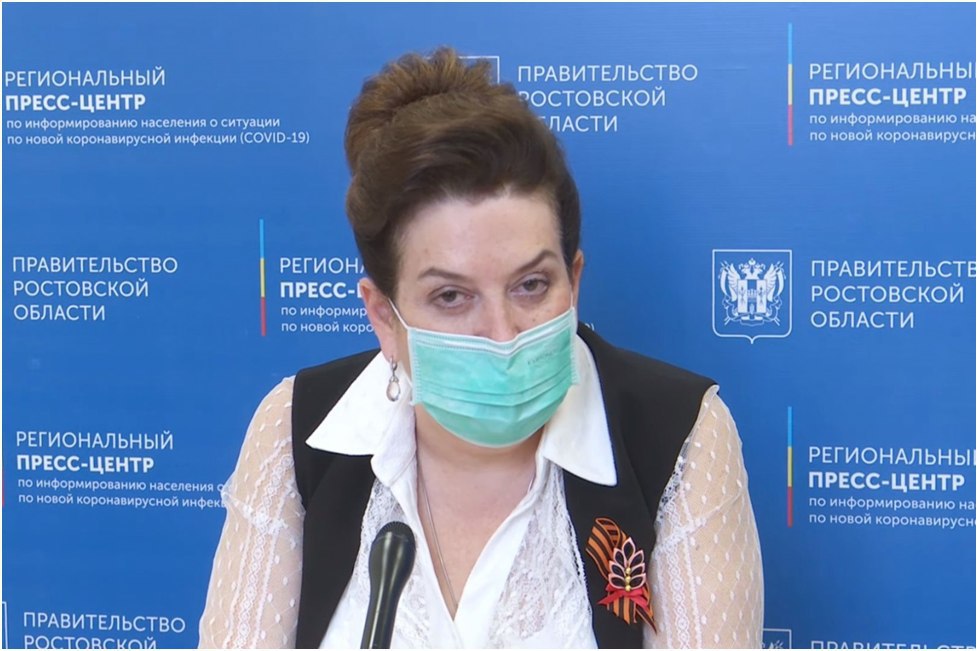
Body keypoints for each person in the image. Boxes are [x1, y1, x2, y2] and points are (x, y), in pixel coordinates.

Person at [199, 47, 763, 649]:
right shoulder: (296, 430)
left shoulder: (679, 436)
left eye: (531, 285)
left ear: (573, 282)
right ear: (384, 316)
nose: (502, 334)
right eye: (451, 296)